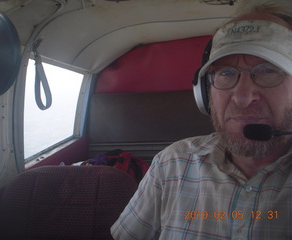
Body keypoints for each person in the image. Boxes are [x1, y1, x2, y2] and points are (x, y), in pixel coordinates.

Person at [111, 1, 292, 239]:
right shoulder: (171, 164)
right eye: (226, 73)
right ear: (205, 93)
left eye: (268, 70)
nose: (243, 97)